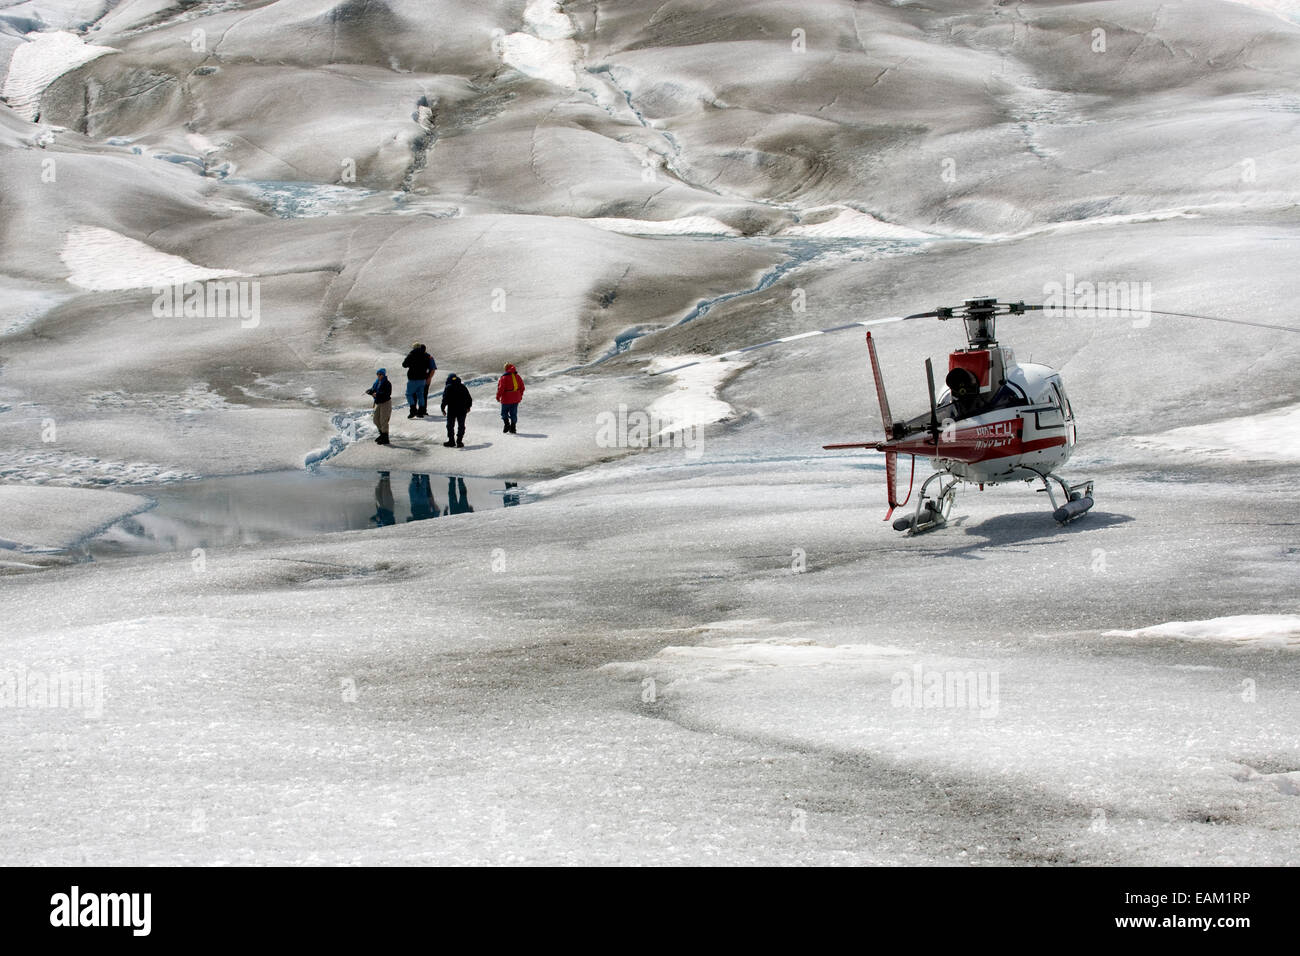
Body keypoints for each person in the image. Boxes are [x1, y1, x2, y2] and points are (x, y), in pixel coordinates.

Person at [401, 342, 436, 418]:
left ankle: (413, 410)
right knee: (421, 395)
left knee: (409, 394)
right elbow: (431, 367)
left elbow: (404, 365)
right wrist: (429, 377)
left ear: (414, 348)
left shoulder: (412, 354)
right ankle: (421, 411)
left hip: (413, 378)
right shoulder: (427, 356)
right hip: (423, 379)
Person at [440, 373, 472, 447]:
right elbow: (468, 398)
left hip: (452, 409)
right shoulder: (462, 386)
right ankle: (459, 441)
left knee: (450, 425)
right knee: (461, 425)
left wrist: (443, 408)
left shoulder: (448, 387)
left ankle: (451, 441)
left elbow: (445, 399)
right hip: (462, 409)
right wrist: (468, 407)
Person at [365, 368, 392, 444]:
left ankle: (385, 438)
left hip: (385, 403)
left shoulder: (387, 383)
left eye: (380, 374)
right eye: (378, 374)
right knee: (376, 420)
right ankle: (382, 435)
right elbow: (374, 389)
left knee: (383, 420)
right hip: (379, 403)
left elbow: (387, 394)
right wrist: (370, 391)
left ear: (383, 375)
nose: (379, 376)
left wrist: (377, 394)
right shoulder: (377, 382)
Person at [496, 362, 524, 433]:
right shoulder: (517, 376)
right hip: (516, 398)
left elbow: (501, 388)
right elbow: (522, 387)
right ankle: (513, 427)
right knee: (513, 413)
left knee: (504, 412)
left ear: (506, 368)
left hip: (506, 398)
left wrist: (498, 396)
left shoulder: (504, 377)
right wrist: (520, 395)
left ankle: (507, 424)